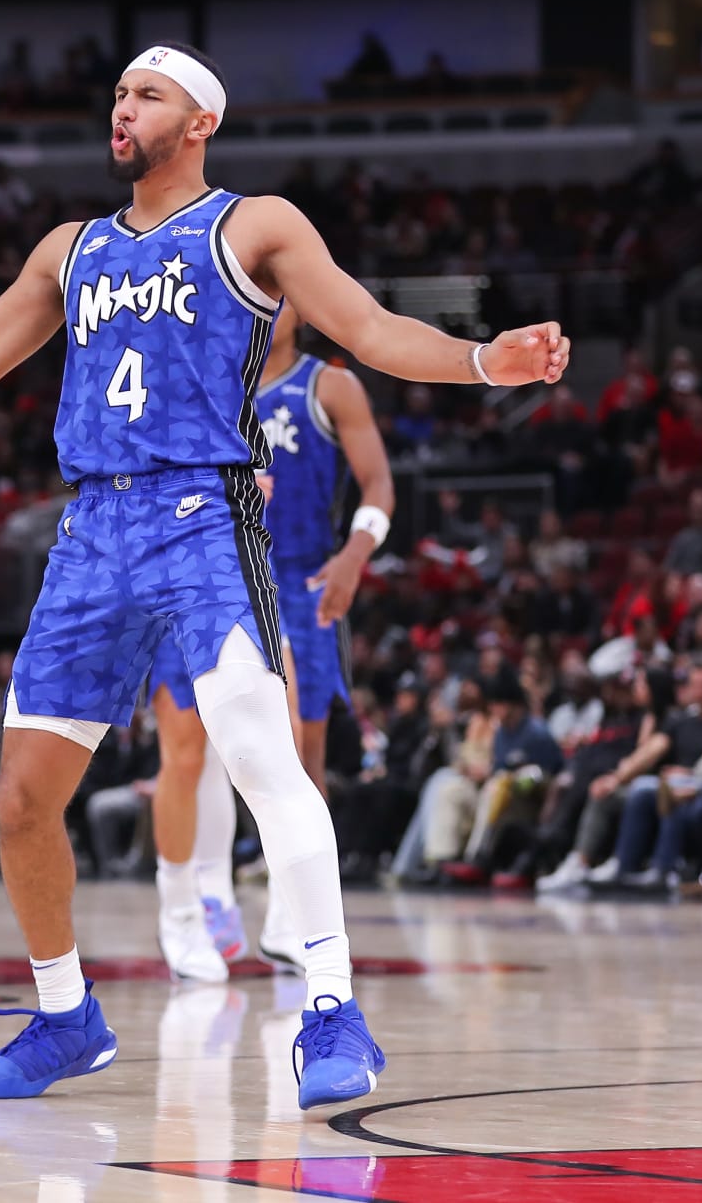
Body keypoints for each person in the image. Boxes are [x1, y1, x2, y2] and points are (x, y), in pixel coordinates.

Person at [0, 41, 567, 1107]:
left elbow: (365, 328)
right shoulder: (69, 248)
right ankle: (65, 1014)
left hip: (202, 517)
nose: (123, 109)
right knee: (24, 798)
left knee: (265, 759)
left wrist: (480, 358)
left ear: (200, 121)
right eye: (119, 93)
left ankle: (330, 1007)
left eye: (148, 94)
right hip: (91, 533)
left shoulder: (253, 224)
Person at [149, 304, 397, 982]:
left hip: (297, 574)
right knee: (191, 742)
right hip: (204, 569)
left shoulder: (329, 385)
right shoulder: (197, 378)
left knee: (297, 747)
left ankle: (293, 917)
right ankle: (202, 900)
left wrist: (357, 549)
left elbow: (378, 483)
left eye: (276, 290)